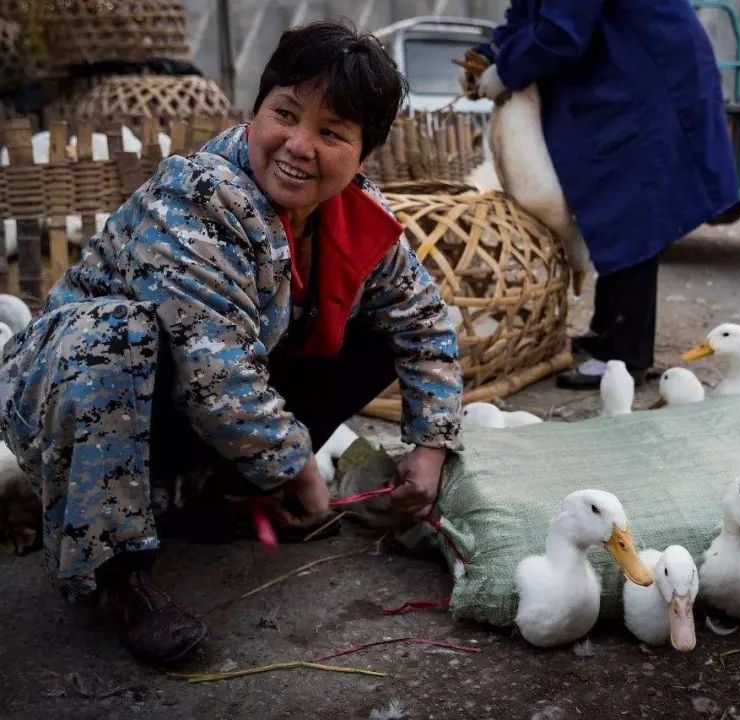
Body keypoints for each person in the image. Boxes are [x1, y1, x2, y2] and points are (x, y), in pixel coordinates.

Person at [0, 21, 463, 665]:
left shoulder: (354, 217)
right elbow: (213, 366)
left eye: (331, 133)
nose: (299, 146)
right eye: (285, 114)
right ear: (255, 110)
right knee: (115, 333)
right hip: (83, 398)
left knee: (376, 331)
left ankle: (211, 495)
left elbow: (423, 320)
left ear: (363, 155)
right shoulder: (196, 198)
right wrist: (294, 465)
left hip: (179, 407)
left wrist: (431, 443)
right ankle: (117, 575)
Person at [465, 0, 739, 388]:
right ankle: (608, 333)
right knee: (614, 213)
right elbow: (529, 12)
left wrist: (508, 69)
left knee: (630, 214)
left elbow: (562, 31)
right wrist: (490, 55)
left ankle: (625, 356)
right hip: (618, 77)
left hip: (645, 81)